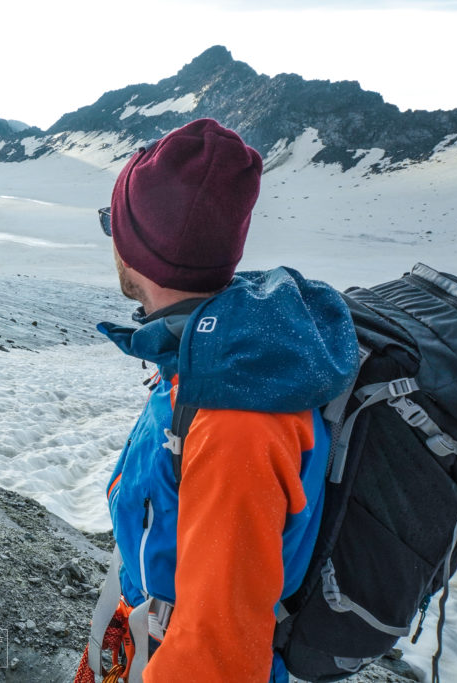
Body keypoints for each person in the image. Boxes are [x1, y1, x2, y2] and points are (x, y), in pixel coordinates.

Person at [82, 119, 359, 682]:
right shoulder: (216, 355)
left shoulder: (234, 418)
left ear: (141, 247)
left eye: (115, 222)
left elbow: (219, 656)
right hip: (152, 636)